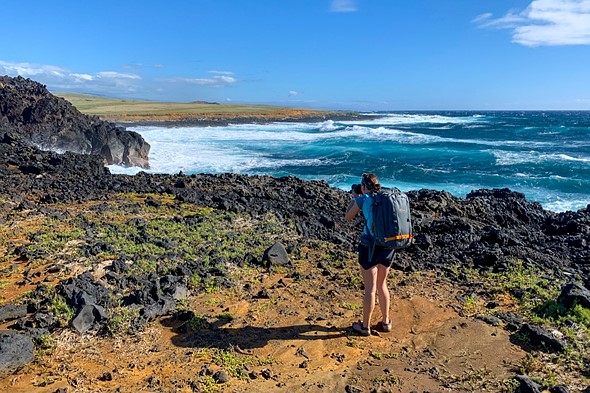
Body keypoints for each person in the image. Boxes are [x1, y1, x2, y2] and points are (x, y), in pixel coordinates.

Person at [345, 173, 394, 336]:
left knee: (370, 289)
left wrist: (355, 198)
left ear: (364, 187)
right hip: (388, 245)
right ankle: (386, 322)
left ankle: (365, 326)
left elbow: (348, 216)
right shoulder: (386, 197)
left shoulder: (363, 199)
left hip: (370, 246)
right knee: (382, 284)